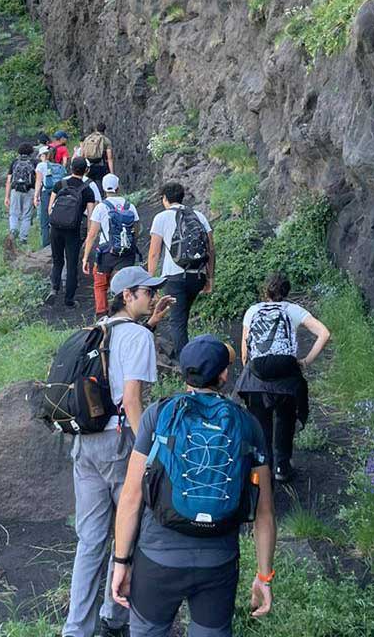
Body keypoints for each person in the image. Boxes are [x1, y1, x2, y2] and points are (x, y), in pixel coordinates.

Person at [110, 335, 276, 636]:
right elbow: (264, 512)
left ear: (184, 373)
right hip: (218, 561)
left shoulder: (158, 414)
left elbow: (132, 495)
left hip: (157, 557)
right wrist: (264, 576)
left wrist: (121, 561)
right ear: (223, 375)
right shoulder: (247, 424)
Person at [62, 266, 175, 637]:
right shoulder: (137, 337)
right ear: (127, 295)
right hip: (119, 443)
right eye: (147, 292)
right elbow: (132, 400)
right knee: (128, 531)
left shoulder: (99, 329)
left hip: (85, 443)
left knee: (90, 540)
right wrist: (150, 452)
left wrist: (151, 323)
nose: (152, 297)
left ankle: (76, 629)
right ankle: (115, 616)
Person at [238, 272, 330, 482]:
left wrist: (252, 375)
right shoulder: (293, 310)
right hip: (286, 376)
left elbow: (245, 352)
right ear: (287, 292)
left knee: (261, 426)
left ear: (265, 291)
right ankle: (282, 467)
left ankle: (264, 472)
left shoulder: (253, 311)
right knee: (285, 420)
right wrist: (305, 361)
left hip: (258, 376)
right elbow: (324, 333)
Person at [147, 182, 214, 356]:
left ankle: (185, 363)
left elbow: (154, 254)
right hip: (198, 276)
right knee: (182, 317)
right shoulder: (199, 215)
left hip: (175, 278)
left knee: (177, 322)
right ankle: (187, 355)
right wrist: (210, 278)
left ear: (165, 198)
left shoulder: (161, 218)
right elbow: (210, 249)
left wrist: (151, 283)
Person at [82, 174, 141, 319]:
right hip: (126, 253)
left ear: (103, 188)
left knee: (100, 285)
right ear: (118, 187)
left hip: (106, 253)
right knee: (123, 285)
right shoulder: (130, 206)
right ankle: (122, 315)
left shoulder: (101, 207)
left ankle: (102, 315)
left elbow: (92, 234)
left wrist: (85, 257)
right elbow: (136, 230)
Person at [49, 157, 101, 307]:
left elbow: (50, 209)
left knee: (57, 261)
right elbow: (90, 217)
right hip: (73, 230)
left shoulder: (60, 184)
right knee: (71, 264)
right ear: (86, 170)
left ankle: (54, 288)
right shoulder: (88, 190)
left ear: (71, 168)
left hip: (56, 229)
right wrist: (89, 235)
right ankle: (69, 300)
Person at [34, 144, 67, 249]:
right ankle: (58, 244)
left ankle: (46, 245)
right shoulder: (59, 166)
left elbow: (38, 182)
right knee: (57, 219)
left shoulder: (41, 166)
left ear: (44, 155)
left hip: (46, 194)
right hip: (58, 194)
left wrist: (35, 196)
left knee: (44, 221)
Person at [4, 142, 36, 245]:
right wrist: (37, 195)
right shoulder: (34, 162)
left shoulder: (14, 162)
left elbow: (9, 180)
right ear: (31, 151)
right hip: (30, 190)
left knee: (13, 213)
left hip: (15, 190)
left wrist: (7, 196)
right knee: (26, 215)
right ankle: (23, 239)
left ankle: (13, 231)